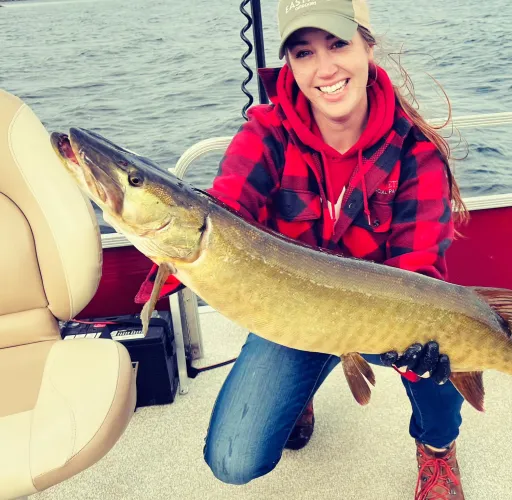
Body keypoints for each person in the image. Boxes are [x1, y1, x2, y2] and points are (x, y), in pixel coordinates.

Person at [138, 0, 470, 498]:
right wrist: (165, 258)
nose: (325, 68)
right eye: (303, 52)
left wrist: (416, 351)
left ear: (367, 46)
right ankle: (302, 389)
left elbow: (416, 267)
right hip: (296, 316)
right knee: (232, 459)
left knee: (441, 362)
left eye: (338, 44)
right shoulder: (265, 135)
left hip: (383, 319)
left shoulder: (416, 153)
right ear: (289, 65)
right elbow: (226, 208)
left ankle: (438, 450)